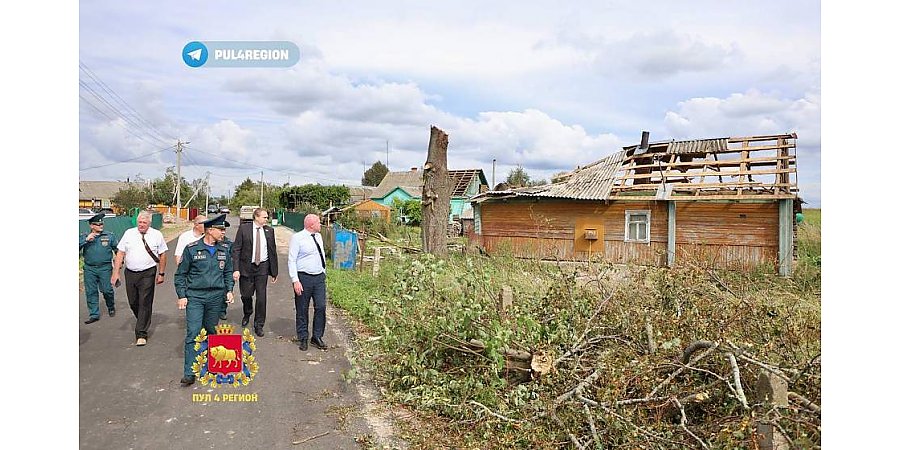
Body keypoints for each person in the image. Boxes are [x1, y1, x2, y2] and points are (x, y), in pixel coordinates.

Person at [174, 214, 235, 386]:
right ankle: (189, 372)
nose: (223, 232)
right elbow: (180, 275)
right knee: (193, 332)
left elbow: (228, 272)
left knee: (211, 331)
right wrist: (182, 295)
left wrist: (229, 290)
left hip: (216, 297)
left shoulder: (224, 250)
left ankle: (213, 364)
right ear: (209, 230)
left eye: (224, 229)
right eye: (220, 229)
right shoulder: (192, 249)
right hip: (195, 297)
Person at [111, 211, 168, 346]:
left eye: (144, 223)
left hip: (148, 273)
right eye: (140, 222)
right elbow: (120, 253)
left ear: (149, 223)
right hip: (130, 273)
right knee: (133, 302)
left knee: (145, 301)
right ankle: (143, 318)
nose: (141, 225)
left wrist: (161, 273)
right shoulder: (129, 233)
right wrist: (115, 272)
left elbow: (163, 255)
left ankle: (141, 333)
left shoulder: (157, 235)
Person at [231, 208, 278, 337]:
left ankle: (259, 324)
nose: (266, 219)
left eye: (267, 217)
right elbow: (236, 249)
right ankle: (248, 311)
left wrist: (274, 272)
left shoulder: (269, 231)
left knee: (261, 297)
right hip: (246, 267)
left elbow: (272, 251)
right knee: (246, 294)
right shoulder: (244, 229)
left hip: (262, 267)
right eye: (264, 217)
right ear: (256, 217)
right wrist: (236, 268)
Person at [287, 214, 328, 351]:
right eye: (318, 222)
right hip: (303, 278)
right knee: (302, 309)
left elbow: (320, 255)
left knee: (321, 307)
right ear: (311, 224)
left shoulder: (318, 236)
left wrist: (323, 271)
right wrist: (295, 280)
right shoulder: (297, 238)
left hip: (319, 278)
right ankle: (303, 337)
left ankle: (317, 336)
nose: (320, 224)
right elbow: (292, 260)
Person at [79, 213, 119, 324]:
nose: (101, 225)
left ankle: (110, 306)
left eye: (102, 223)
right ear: (91, 226)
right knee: (91, 292)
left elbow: (117, 250)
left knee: (107, 290)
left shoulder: (109, 236)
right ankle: (94, 314)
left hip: (105, 268)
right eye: (98, 224)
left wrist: (119, 263)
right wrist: (86, 240)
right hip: (89, 269)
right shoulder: (84, 236)